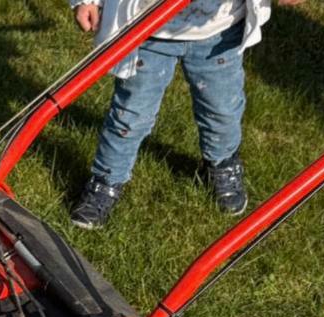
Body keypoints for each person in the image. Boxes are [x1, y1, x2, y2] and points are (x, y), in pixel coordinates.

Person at [69, 0, 304, 229]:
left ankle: (222, 162)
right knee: (130, 117)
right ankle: (106, 180)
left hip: (220, 30)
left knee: (222, 111)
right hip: (148, 29)